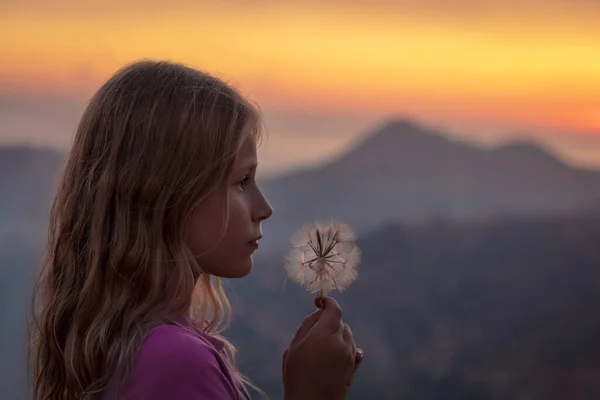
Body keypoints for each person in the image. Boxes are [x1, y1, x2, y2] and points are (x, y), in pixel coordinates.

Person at [30, 60, 363, 400]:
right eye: (242, 182)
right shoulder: (175, 362)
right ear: (169, 195)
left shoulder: (130, 344)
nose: (265, 209)